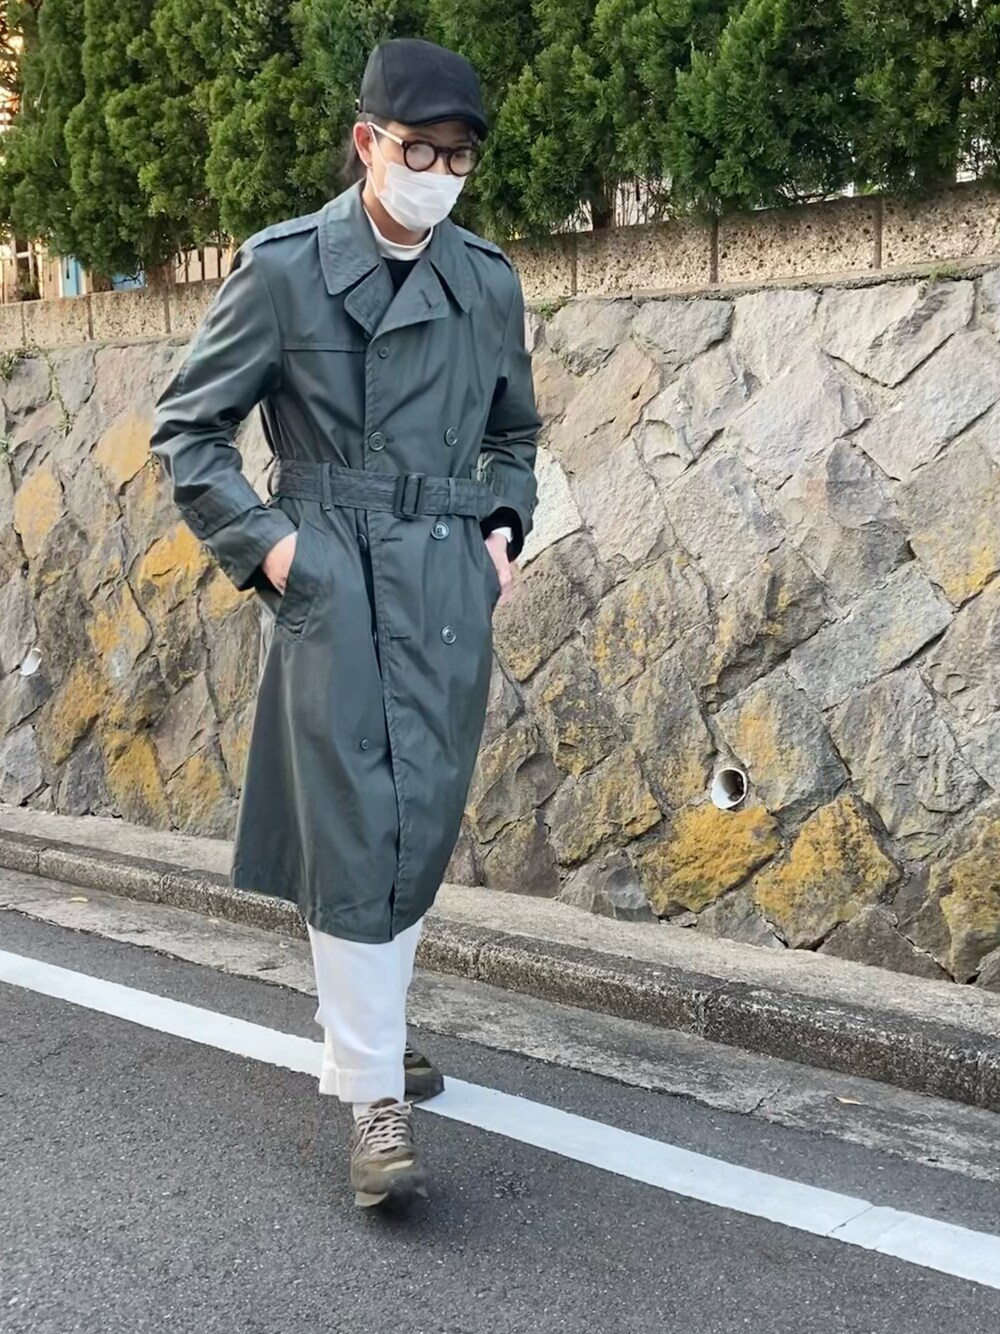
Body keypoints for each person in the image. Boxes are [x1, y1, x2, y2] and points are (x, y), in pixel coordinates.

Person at [149, 37, 540, 1207]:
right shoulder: (285, 270)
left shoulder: (487, 281)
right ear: (367, 140)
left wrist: (500, 534)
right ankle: (372, 1093)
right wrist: (279, 551)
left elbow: (513, 433)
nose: (438, 175)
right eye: (419, 151)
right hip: (335, 576)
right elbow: (191, 435)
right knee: (358, 822)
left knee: (416, 818)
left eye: (458, 157)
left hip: (446, 582)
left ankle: (373, 1028)